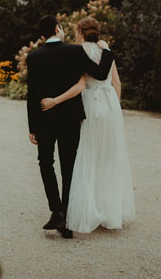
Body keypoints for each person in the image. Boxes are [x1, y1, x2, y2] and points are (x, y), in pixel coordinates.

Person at [40, 17, 135, 233]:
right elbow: (116, 82)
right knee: (109, 159)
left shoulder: (79, 51)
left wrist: (55, 101)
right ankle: (110, 210)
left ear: (81, 32)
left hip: (90, 106)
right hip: (110, 107)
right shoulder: (105, 50)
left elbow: (81, 84)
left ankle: (87, 209)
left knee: (87, 157)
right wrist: (114, 108)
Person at [26, 15, 115, 238]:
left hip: (45, 118)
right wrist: (107, 50)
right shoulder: (75, 51)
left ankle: (56, 211)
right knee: (69, 166)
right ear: (57, 28)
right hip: (70, 119)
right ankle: (67, 216)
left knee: (45, 163)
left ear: (43, 34)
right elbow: (101, 73)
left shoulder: (34, 56)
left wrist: (32, 126)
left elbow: (32, 94)